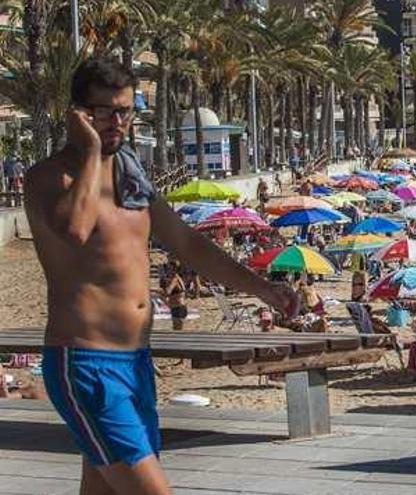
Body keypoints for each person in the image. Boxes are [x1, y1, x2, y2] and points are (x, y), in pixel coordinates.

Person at [23, 56, 298, 494]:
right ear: (78, 115)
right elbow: (75, 230)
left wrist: (262, 288)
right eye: (105, 112)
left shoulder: (133, 181)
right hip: (86, 364)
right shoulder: (47, 178)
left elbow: (187, 244)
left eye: (126, 111)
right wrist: (93, 150)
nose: (117, 122)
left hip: (135, 363)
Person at [161, 259, 187, 331]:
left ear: (174, 269)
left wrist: (153, 290)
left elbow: (167, 292)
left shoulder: (175, 279)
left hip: (178, 308)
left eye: (169, 268)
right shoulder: (176, 278)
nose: (167, 270)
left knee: (178, 333)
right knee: (177, 331)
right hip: (177, 307)